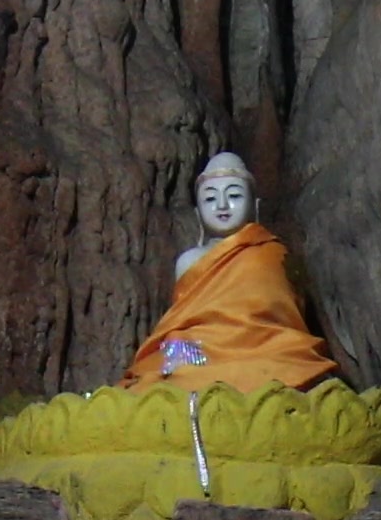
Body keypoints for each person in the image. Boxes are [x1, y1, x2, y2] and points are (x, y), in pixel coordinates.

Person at [122, 151, 339, 394]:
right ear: (197, 213)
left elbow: (285, 316)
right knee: (171, 357)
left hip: (264, 348)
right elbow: (182, 321)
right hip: (201, 351)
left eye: (234, 195)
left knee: (287, 363)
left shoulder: (274, 254)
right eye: (210, 198)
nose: (222, 205)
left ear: (255, 205)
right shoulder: (189, 259)